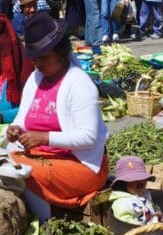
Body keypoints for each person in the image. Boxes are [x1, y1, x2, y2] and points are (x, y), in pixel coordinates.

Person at [7, 12, 108, 222]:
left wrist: (44, 138)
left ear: (61, 53)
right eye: (35, 59)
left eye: (44, 57)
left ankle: (44, 224)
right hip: (42, 155)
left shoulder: (79, 84)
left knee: (24, 170)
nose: (38, 64)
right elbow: (22, 117)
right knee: (2, 161)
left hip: (81, 166)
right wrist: (15, 129)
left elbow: (88, 137)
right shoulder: (35, 78)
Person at [109, 155, 163, 226]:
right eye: (133, 180)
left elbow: (152, 205)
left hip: (153, 228)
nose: (140, 181)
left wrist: (157, 212)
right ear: (122, 183)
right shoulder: (121, 203)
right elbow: (124, 223)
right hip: (138, 234)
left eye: (142, 178)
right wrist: (143, 227)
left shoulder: (145, 194)